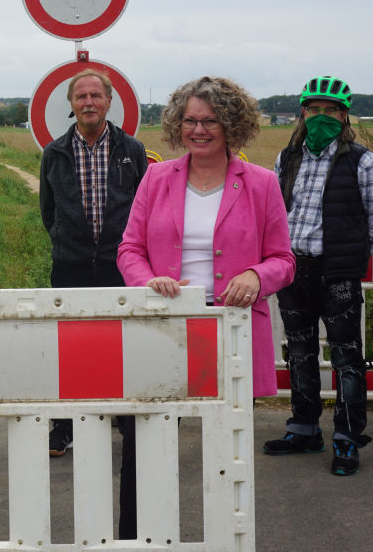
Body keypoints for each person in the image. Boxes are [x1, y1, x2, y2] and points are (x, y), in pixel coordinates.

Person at [117, 75, 295, 395]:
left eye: (210, 121)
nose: (199, 131)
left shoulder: (263, 183)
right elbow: (130, 249)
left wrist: (256, 276)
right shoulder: (155, 177)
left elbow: (283, 260)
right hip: (166, 318)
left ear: (231, 126)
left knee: (231, 434)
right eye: (190, 121)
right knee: (156, 431)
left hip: (235, 322)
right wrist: (148, 282)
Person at [38, 68, 147, 538]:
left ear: (108, 102)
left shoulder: (132, 151)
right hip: (72, 265)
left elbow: (143, 208)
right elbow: (48, 211)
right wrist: (68, 243)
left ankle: (125, 419)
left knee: (123, 346)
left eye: (95, 95)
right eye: (80, 95)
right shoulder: (55, 152)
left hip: (119, 264)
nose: (88, 102)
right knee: (72, 347)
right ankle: (64, 426)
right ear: (71, 103)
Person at [262, 76, 373, 475]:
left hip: (338, 274)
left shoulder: (364, 162)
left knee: (348, 359)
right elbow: (278, 212)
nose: (321, 117)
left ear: (343, 114)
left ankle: (348, 440)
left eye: (329, 110)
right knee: (298, 352)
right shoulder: (288, 158)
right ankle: (304, 428)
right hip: (294, 271)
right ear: (303, 111)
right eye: (314, 109)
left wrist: (347, 261)